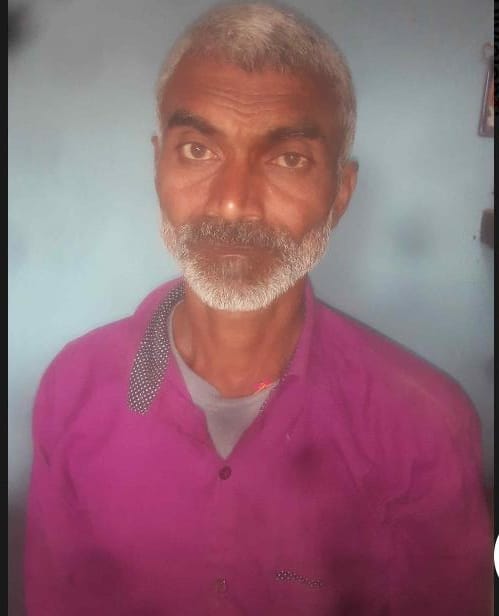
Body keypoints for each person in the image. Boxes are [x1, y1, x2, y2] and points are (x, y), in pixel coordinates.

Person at [24, 2, 491, 615]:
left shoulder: (425, 427)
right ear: (157, 166)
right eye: (197, 150)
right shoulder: (72, 389)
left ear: (340, 194)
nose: (233, 203)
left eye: (288, 158)